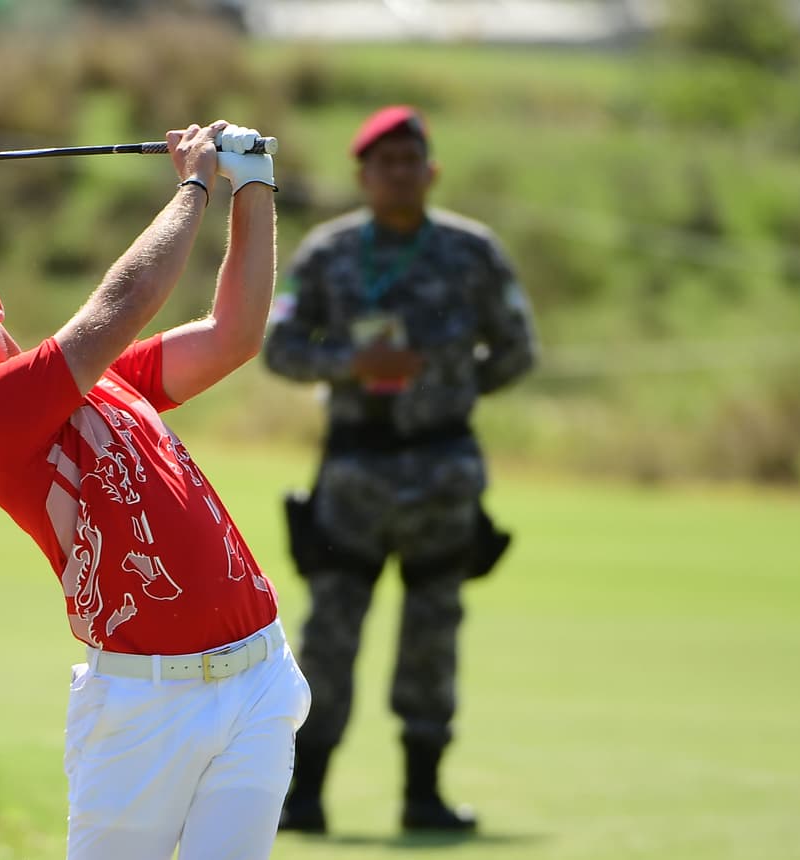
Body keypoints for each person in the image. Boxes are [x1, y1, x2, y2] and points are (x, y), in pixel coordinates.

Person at [0, 120, 310, 860]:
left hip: (258, 679)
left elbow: (234, 337)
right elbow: (127, 301)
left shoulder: (100, 381)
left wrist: (256, 183)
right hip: (144, 710)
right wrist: (197, 185)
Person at [264, 105, 538, 834]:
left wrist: (448, 389)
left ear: (432, 170)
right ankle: (306, 795)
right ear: (362, 175)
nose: (398, 173)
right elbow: (279, 347)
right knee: (329, 634)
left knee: (433, 633)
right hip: (355, 470)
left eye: (410, 159)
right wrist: (353, 366)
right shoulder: (326, 254)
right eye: (383, 162)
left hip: (442, 472)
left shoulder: (473, 251)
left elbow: (516, 348)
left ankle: (424, 795)